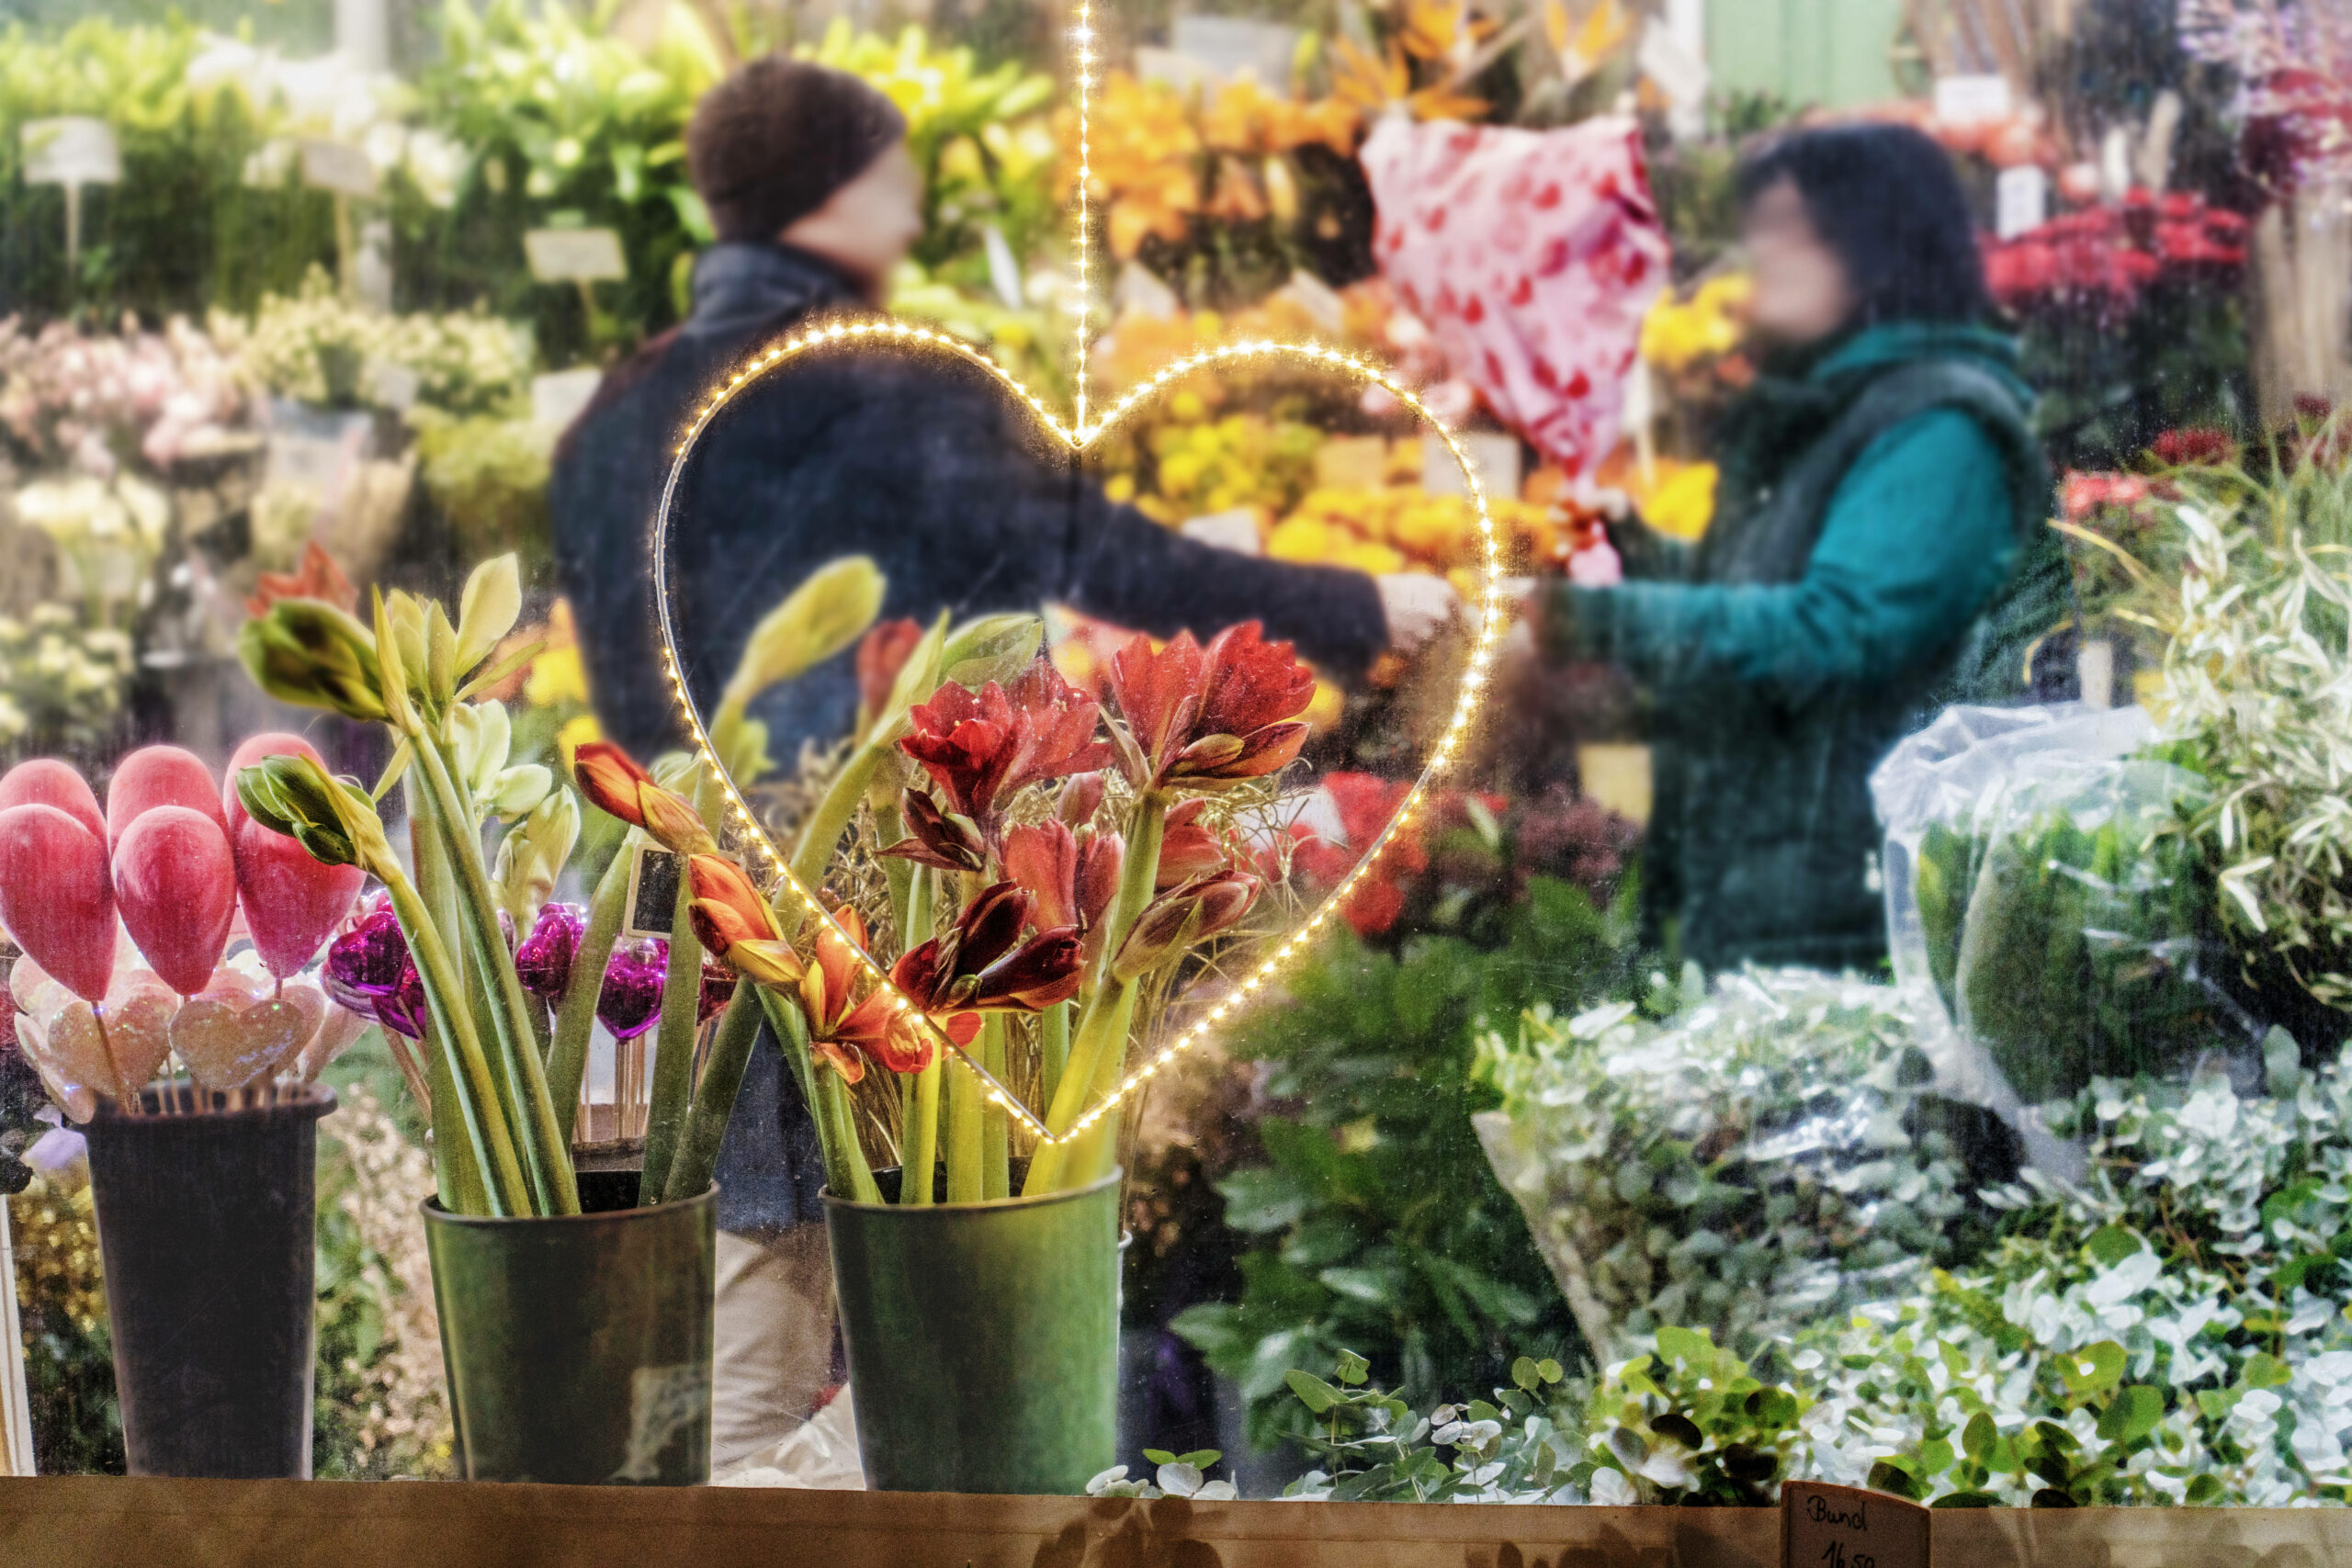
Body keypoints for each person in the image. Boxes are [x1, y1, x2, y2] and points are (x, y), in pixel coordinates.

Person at [549, 56, 1455, 1475]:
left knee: (739, 1317)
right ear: (848, 187)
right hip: (885, 914)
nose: (915, 196)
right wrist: (1355, 605)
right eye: (900, 167)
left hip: (691, 913)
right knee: (938, 1346)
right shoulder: (890, 385)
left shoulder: (616, 409)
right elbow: (1096, 548)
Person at [1525, 122, 2066, 975]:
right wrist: (1615, 544)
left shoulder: (1938, 428)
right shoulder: (1835, 409)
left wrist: (1582, 617)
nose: (1759, 257)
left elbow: (1836, 628)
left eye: (1790, 232)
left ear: (1875, 247)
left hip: (1852, 907)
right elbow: (1767, 590)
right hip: (1787, 883)